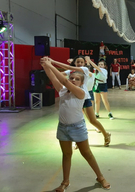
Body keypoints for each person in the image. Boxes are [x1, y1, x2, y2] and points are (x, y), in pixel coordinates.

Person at [40, 57, 111, 191]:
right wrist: (45, 66)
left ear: (82, 82)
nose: (73, 80)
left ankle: (100, 177)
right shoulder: (63, 91)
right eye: (72, 78)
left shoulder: (82, 93)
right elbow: (54, 78)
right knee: (66, 155)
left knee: (87, 153)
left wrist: (51, 63)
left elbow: (64, 80)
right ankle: (65, 182)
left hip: (77, 127)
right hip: (63, 128)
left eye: (77, 79)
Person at [50, 57, 111, 147]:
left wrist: (53, 62)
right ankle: (77, 141)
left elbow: (68, 68)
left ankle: (106, 134)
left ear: (84, 63)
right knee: (77, 120)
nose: (79, 63)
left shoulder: (85, 70)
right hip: (74, 98)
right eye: (77, 61)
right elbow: (60, 74)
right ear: (75, 62)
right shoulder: (71, 72)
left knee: (92, 120)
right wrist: (49, 68)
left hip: (84, 98)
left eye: (81, 62)